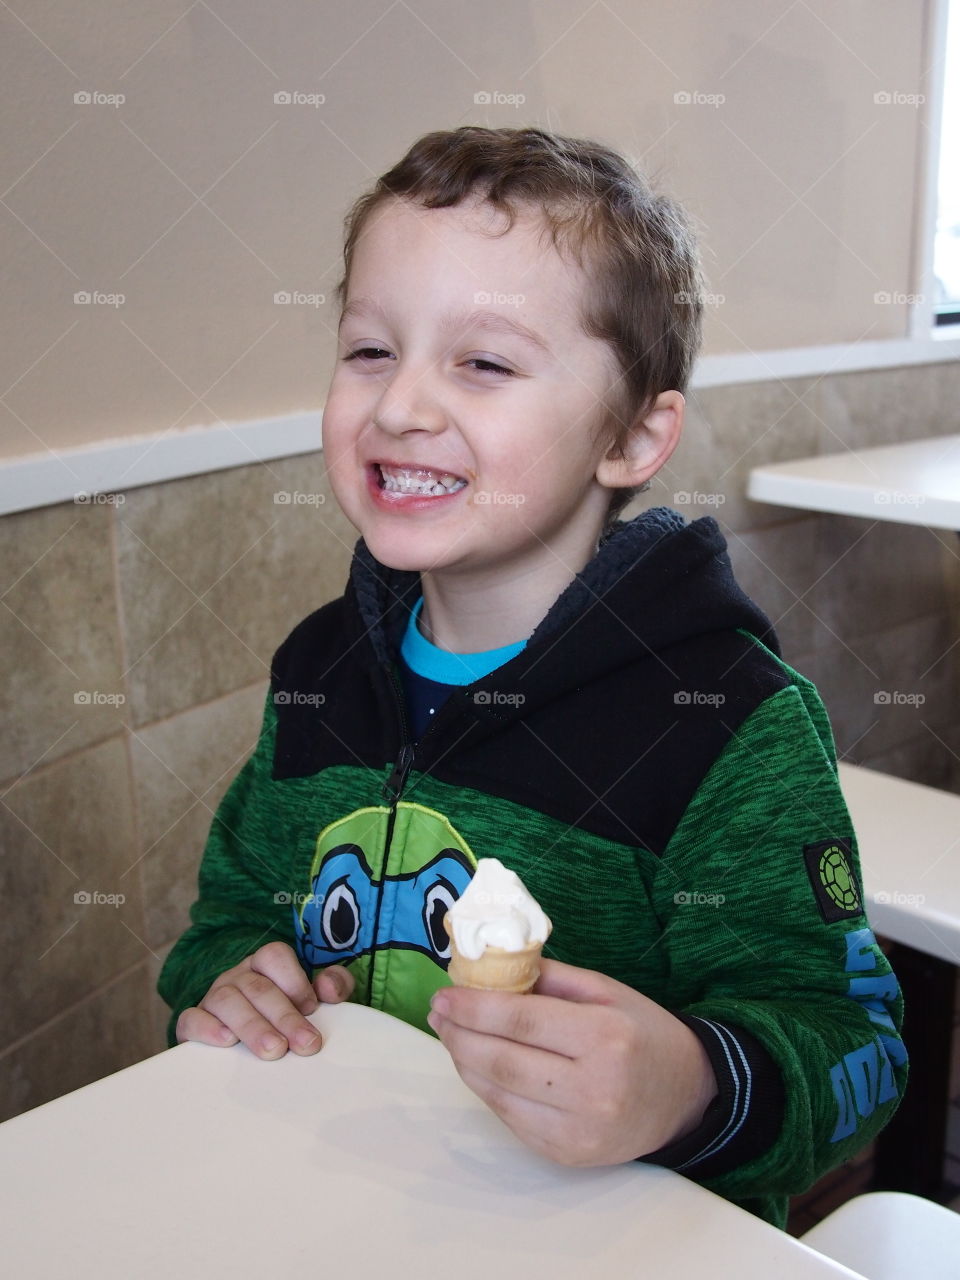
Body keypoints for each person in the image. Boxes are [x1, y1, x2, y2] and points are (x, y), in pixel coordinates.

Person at [158, 126, 906, 1228]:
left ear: (634, 436)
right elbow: (226, 916)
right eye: (370, 349)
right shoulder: (320, 671)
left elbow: (861, 1055)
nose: (401, 405)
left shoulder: (727, 725)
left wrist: (692, 1085)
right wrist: (226, 980)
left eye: (485, 362)